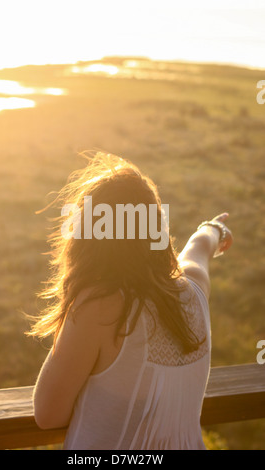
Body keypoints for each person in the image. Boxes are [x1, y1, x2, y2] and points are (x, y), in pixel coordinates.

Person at [28, 152, 233, 450]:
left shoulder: (98, 307)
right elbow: (198, 248)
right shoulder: (195, 288)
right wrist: (214, 229)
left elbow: (47, 415)